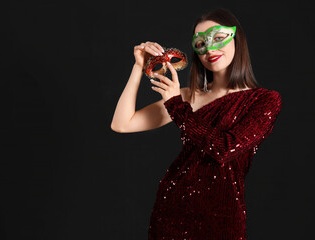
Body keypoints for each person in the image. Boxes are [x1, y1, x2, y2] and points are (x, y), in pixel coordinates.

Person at [111, 8, 282, 240]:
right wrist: (138, 67)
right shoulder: (187, 96)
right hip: (172, 210)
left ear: (237, 39)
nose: (210, 48)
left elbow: (223, 149)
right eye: (201, 43)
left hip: (223, 218)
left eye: (218, 38)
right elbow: (122, 123)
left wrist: (176, 105)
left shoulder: (264, 100)